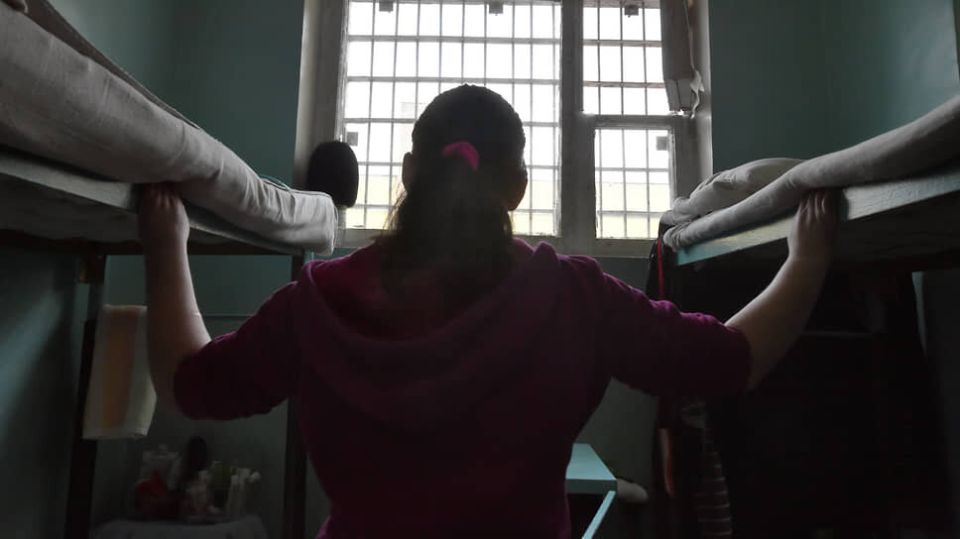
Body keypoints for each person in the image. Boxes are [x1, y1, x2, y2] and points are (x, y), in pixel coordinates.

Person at [139, 85, 838, 538]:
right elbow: (730, 360)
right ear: (518, 187)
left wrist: (167, 243)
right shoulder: (572, 296)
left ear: (409, 173)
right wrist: (806, 260)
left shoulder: (316, 300)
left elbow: (189, 384)